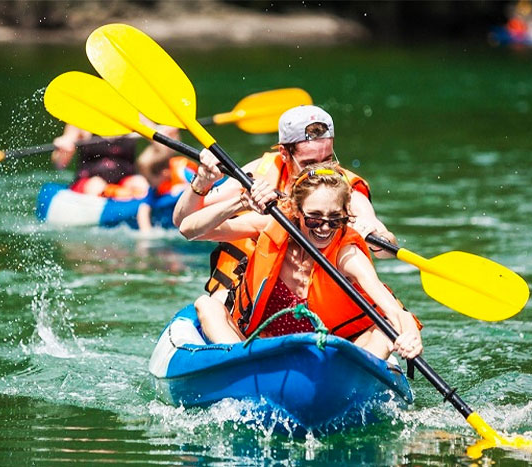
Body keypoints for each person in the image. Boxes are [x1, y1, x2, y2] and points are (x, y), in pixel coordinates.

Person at [179, 163, 423, 361]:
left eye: (335, 219)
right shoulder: (273, 226)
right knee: (207, 305)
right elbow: (188, 229)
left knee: (384, 330)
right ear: (296, 211)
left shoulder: (346, 253)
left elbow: (392, 309)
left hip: (330, 358)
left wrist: (410, 335)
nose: (325, 228)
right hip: (261, 351)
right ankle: (242, 369)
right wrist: (241, 202)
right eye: (314, 218)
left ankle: (345, 389)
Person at [173, 105, 396, 310]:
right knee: (217, 303)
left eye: (327, 160)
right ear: (284, 153)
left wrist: (378, 238)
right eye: (309, 163)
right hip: (249, 291)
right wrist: (202, 182)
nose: (318, 171)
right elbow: (184, 222)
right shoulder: (259, 174)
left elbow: (385, 247)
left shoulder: (344, 189)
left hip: (319, 299)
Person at [51, 124, 190, 231]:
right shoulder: (80, 119)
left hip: (125, 179)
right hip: (90, 180)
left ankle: (143, 216)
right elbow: (59, 164)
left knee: (140, 183)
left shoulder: (133, 116)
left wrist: (169, 136)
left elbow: (162, 145)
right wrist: (64, 150)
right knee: (97, 185)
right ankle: (111, 216)